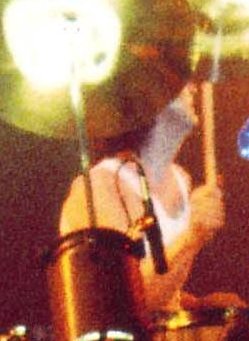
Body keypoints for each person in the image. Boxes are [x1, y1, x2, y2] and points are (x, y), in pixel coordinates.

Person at [56, 79, 227, 322]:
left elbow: (164, 292)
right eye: (178, 80)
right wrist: (192, 237)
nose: (193, 86)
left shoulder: (181, 179)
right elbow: (129, 297)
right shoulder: (98, 188)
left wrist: (198, 304)